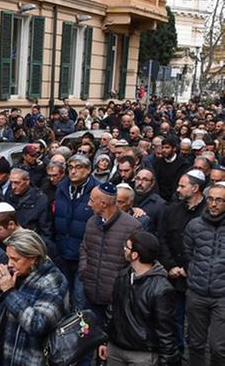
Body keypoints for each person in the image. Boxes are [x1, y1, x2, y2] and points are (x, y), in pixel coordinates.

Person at [0, 229, 68, 366]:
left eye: (15, 259)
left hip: (25, 359)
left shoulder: (53, 280)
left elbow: (38, 325)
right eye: (8, 257)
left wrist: (9, 292)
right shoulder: (11, 272)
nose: (9, 264)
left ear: (33, 259)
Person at [99, 231, 180, 366]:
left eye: (128, 247)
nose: (124, 248)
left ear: (135, 255)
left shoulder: (161, 289)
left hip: (143, 356)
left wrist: (167, 361)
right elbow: (112, 311)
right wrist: (104, 341)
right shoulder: (122, 277)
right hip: (115, 350)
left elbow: (166, 331)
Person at [159, 169, 207, 349]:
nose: (177, 190)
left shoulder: (207, 214)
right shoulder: (172, 210)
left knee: (197, 326)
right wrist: (171, 266)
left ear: (195, 188)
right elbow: (163, 239)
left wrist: (190, 268)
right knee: (174, 321)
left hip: (198, 280)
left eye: (182, 186)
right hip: (174, 278)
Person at [80, 183, 140, 321]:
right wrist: (84, 269)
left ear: (103, 203)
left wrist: (121, 285)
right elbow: (84, 247)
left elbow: (135, 261)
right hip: (91, 291)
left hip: (116, 298)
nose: (88, 204)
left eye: (91, 200)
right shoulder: (91, 222)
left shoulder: (132, 226)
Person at [184, 182, 225, 366]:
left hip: (222, 297)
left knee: (218, 346)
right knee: (195, 343)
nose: (214, 204)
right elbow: (188, 252)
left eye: (219, 200)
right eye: (211, 199)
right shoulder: (194, 225)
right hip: (197, 292)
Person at [52, 153, 98, 309]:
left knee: (80, 300)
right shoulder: (62, 188)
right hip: (62, 252)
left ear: (89, 170)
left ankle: (80, 331)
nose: (73, 171)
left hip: (84, 256)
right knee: (62, 296)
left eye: (78, 167)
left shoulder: (96, 191)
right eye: (70, 167)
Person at [6, 168, 49, 237]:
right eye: (11, 182)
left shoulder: (40, 199)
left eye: (17, 183)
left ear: (27, 181)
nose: (13, 187)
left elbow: (46, 229)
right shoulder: (9, 195)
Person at [154, 137, 191, 202]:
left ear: (174, 148)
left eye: (167, 148)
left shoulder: (183, 164)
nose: (164, 150)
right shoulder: (157, 163)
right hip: (160, 199)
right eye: (163, 147)